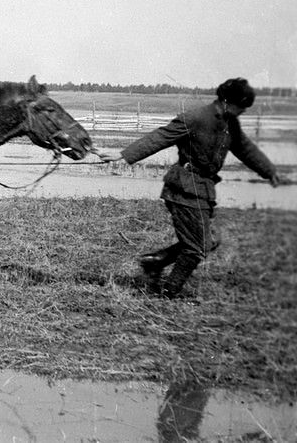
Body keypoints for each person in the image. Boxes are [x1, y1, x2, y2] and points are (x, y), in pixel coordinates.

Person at [100, 78, 280, 298]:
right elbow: (160, 137)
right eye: (240, 107)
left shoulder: (231, 123)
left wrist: (269, 171)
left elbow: (246, 149)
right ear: (226, 102)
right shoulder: (195, 118)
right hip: (182, 188)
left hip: (203, 189)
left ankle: (155, 262)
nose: (243, 112)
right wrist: (123, 155)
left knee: (208, 241)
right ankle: (168, 292)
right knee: (197, 247)